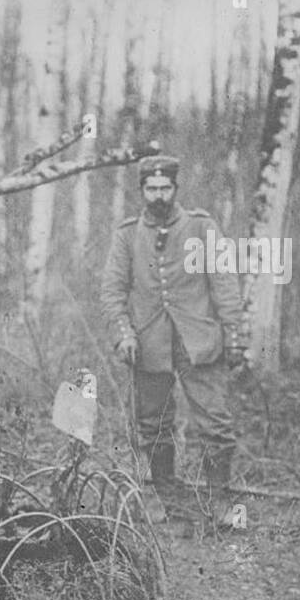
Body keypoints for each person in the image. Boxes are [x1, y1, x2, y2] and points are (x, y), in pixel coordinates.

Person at [99, 153, 247, 522]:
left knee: (215, 422)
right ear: (142, 190)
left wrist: (233, 335)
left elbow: (224, 283)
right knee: (152, 426)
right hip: (149, 346)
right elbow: (112, 292)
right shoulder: (128, 234)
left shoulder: (201, 227)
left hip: (199, 343)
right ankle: (167, 501)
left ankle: (220, 501)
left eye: (166, 188)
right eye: (152, 188)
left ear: (176, 188)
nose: (159, 195)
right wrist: (123, 334)